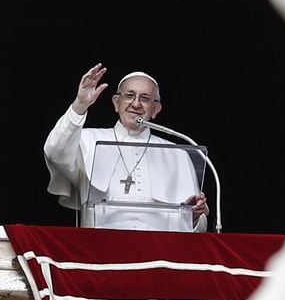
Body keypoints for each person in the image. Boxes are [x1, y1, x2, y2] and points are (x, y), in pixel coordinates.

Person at [44, 63, 209, 232]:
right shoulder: (87, 139)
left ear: (155, 109)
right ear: (116, 103)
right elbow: (54, 153)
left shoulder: (177, 154)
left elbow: (201, 225)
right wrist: (79, 105)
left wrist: (193, 217)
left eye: (144, 98)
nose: (136, 104)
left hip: (160, 253)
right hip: (101, 249)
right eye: (129, 95)